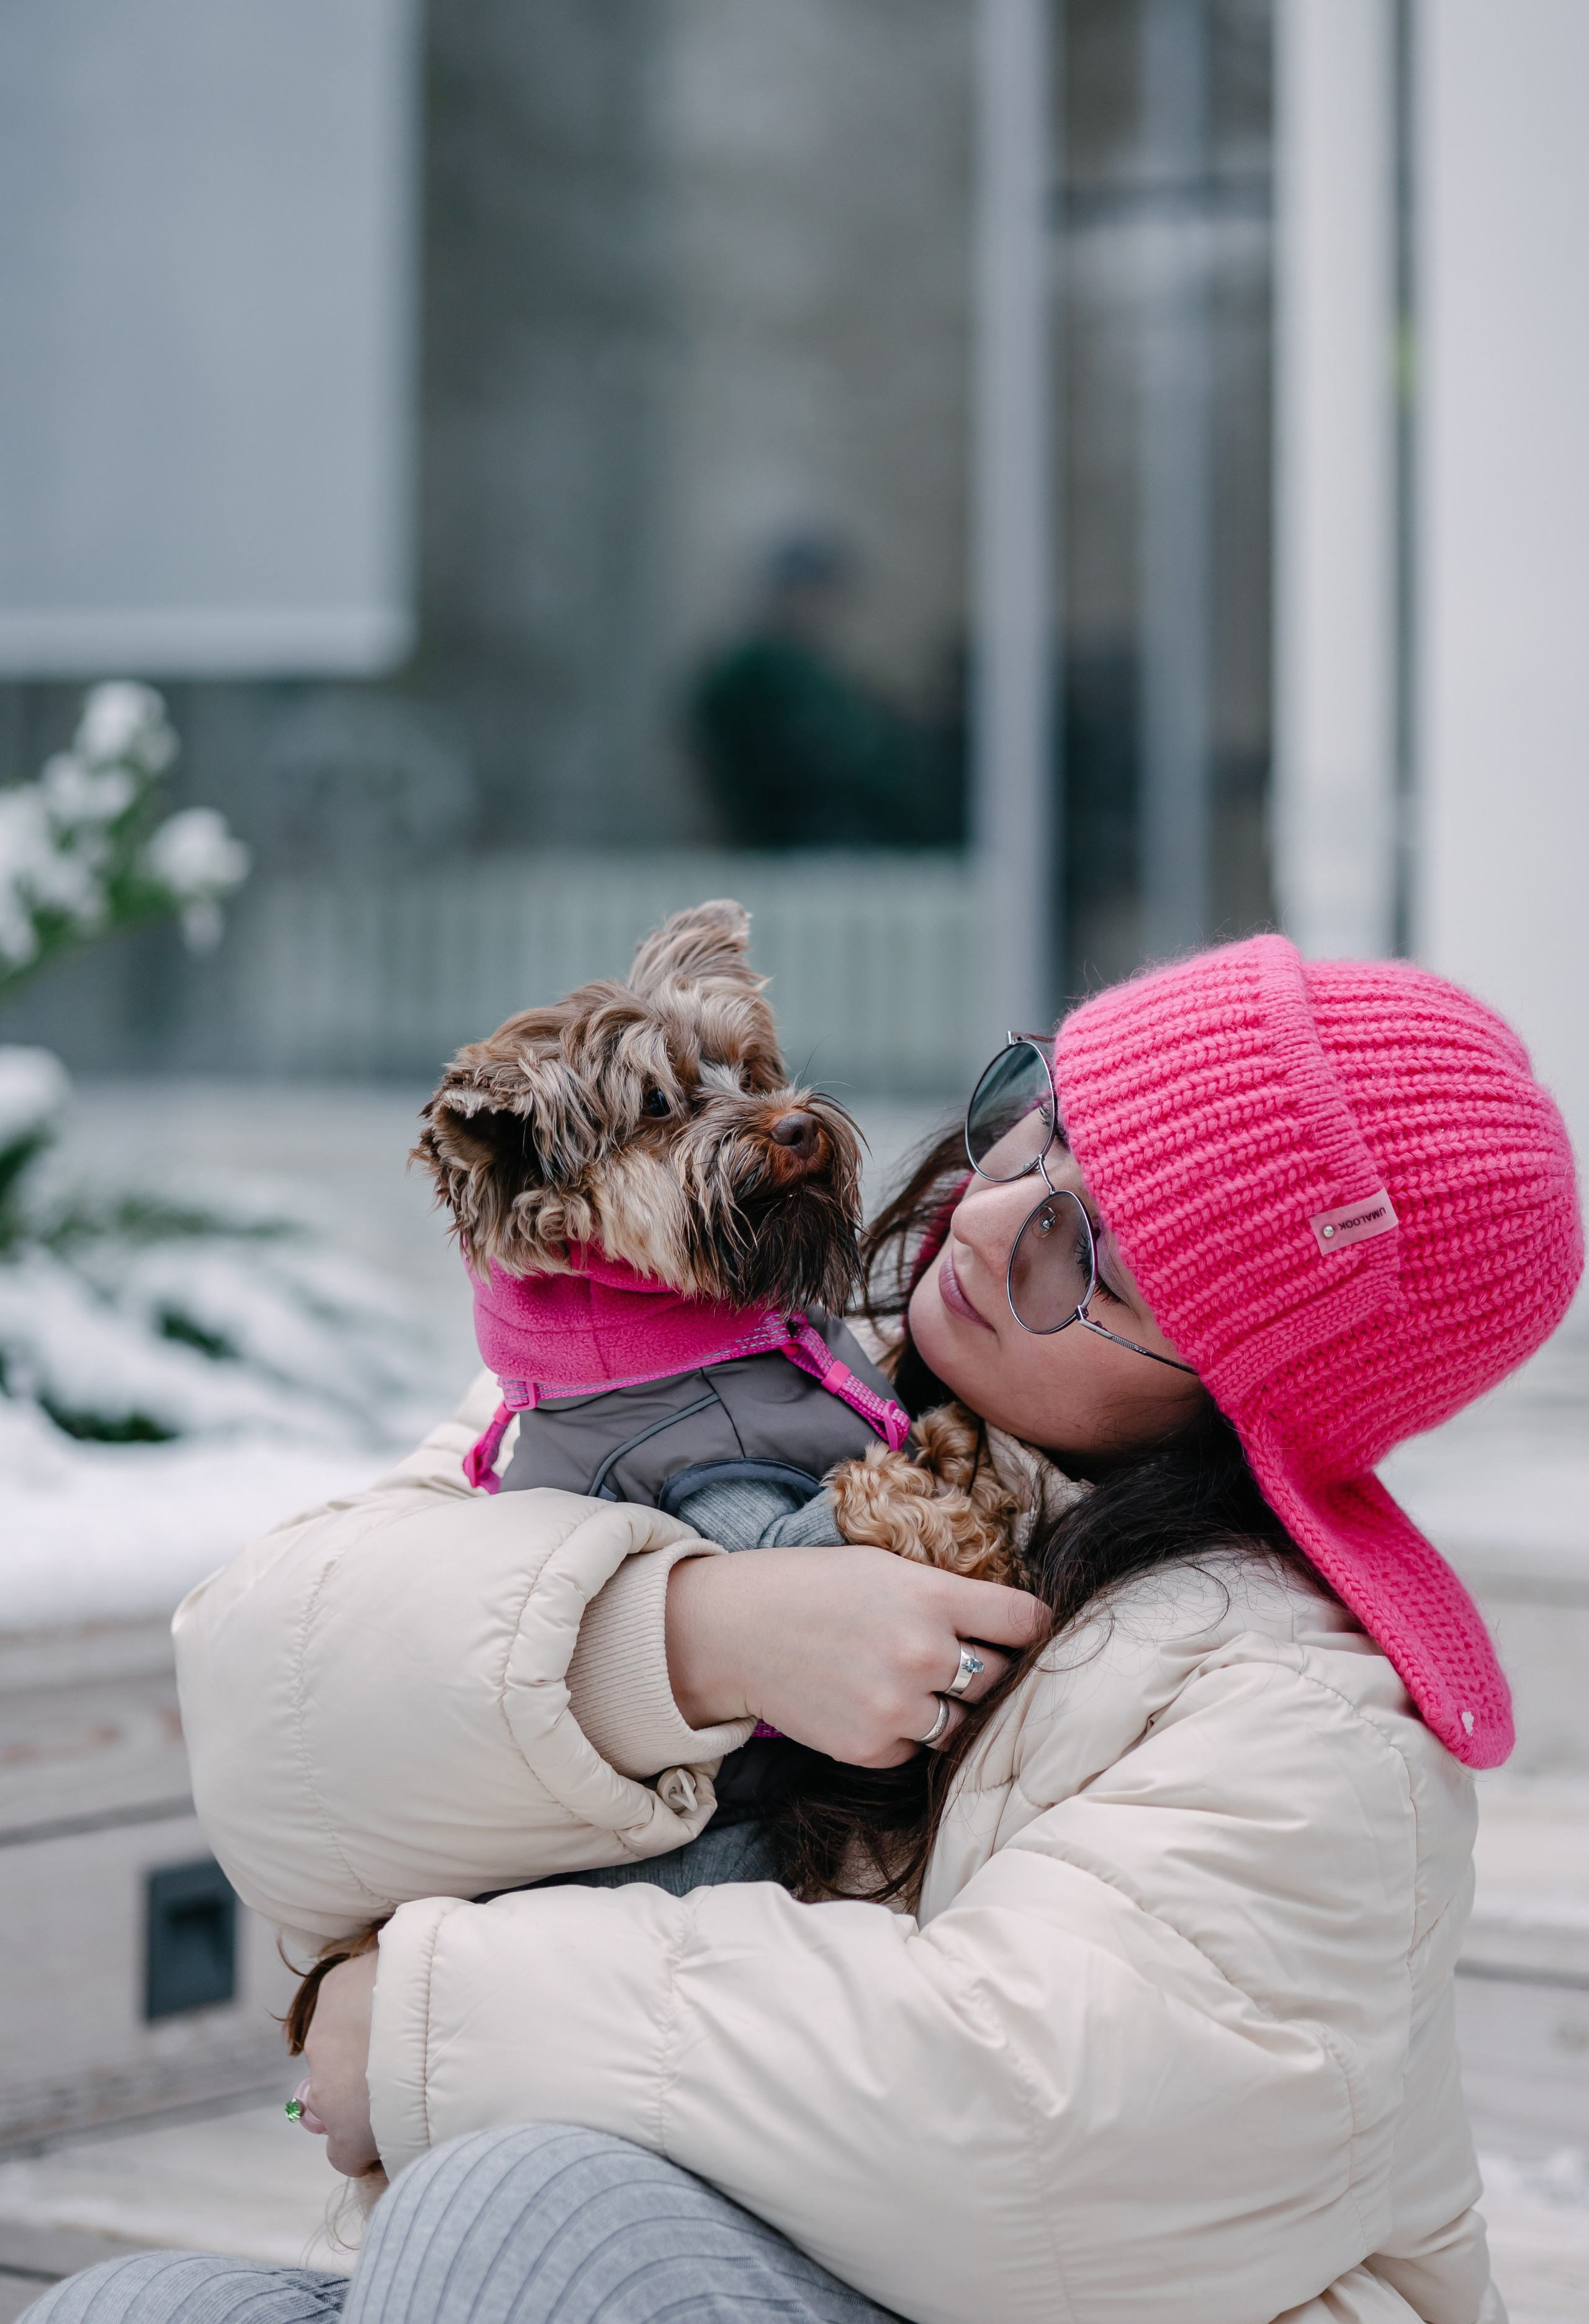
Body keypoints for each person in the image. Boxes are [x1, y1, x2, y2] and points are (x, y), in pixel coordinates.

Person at [27, 935, 1581, 2324]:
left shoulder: (1303, 1707)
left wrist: (441, 2017)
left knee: (532, 2222)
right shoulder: (723, 1383)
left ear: (1246, 1402)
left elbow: (1033, 2143)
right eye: (1038, 1122)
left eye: (1091, 1254)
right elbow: (260, 1707)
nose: (982, 1224)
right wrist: (688, 1635)